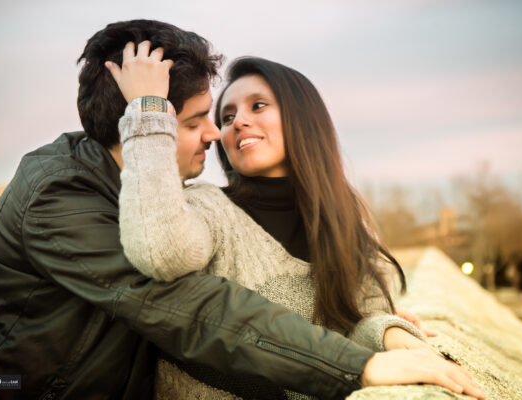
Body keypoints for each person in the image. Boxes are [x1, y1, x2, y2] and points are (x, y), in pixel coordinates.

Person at [0, 19, 422, 400]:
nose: (216, 134)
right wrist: (356, 367)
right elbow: (194, 308)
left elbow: (358, 310)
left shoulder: (342, 216)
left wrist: (385, 332)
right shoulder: (57, 196)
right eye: (197, 121)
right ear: (137, 127)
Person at [110, 39, 485, 399]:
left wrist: (389, 334)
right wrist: (148, 109)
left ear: (302, 117)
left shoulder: (344, 220)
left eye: (258, 106)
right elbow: (158, 252)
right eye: (228, 116)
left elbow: (356, 320)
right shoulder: (208, 208)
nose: (238, 121)